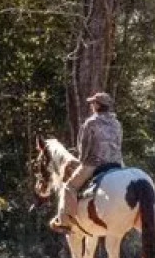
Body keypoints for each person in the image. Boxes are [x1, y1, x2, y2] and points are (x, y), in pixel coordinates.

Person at [52, 91, 123, 232]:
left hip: (95, 164)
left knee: (69, 187)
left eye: (92, 103)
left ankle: (66, 222)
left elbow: (83, 149)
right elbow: (119, 143)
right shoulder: (117, 123)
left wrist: (81, 161)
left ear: (97, 105)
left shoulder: (90, 123)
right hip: (117, 163)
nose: (91, 106)